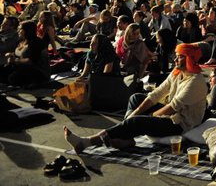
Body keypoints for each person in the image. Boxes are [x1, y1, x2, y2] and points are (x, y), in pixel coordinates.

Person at [64, 43, 208, 151]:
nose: (175, 60)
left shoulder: (196, 82)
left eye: (180, 57)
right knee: (136, 98)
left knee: (138, 121)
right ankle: (126, 137)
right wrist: (133, 115)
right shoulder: (178, 72)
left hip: (181, 123)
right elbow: (157, 93)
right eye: (176, 56)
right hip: (171, 113)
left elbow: (172, 107)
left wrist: (149, 117)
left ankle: (87, 142)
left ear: (189, 59)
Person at [0, 20, 50, 86]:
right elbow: (17, 54)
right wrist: (11, 55)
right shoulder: (22, 41)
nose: (18, 31)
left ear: (26, 30)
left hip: (37, 71)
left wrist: (15, 60)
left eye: (20, 29)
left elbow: (32, 61)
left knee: (12, 78)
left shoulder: (36, 43)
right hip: (21, 67)